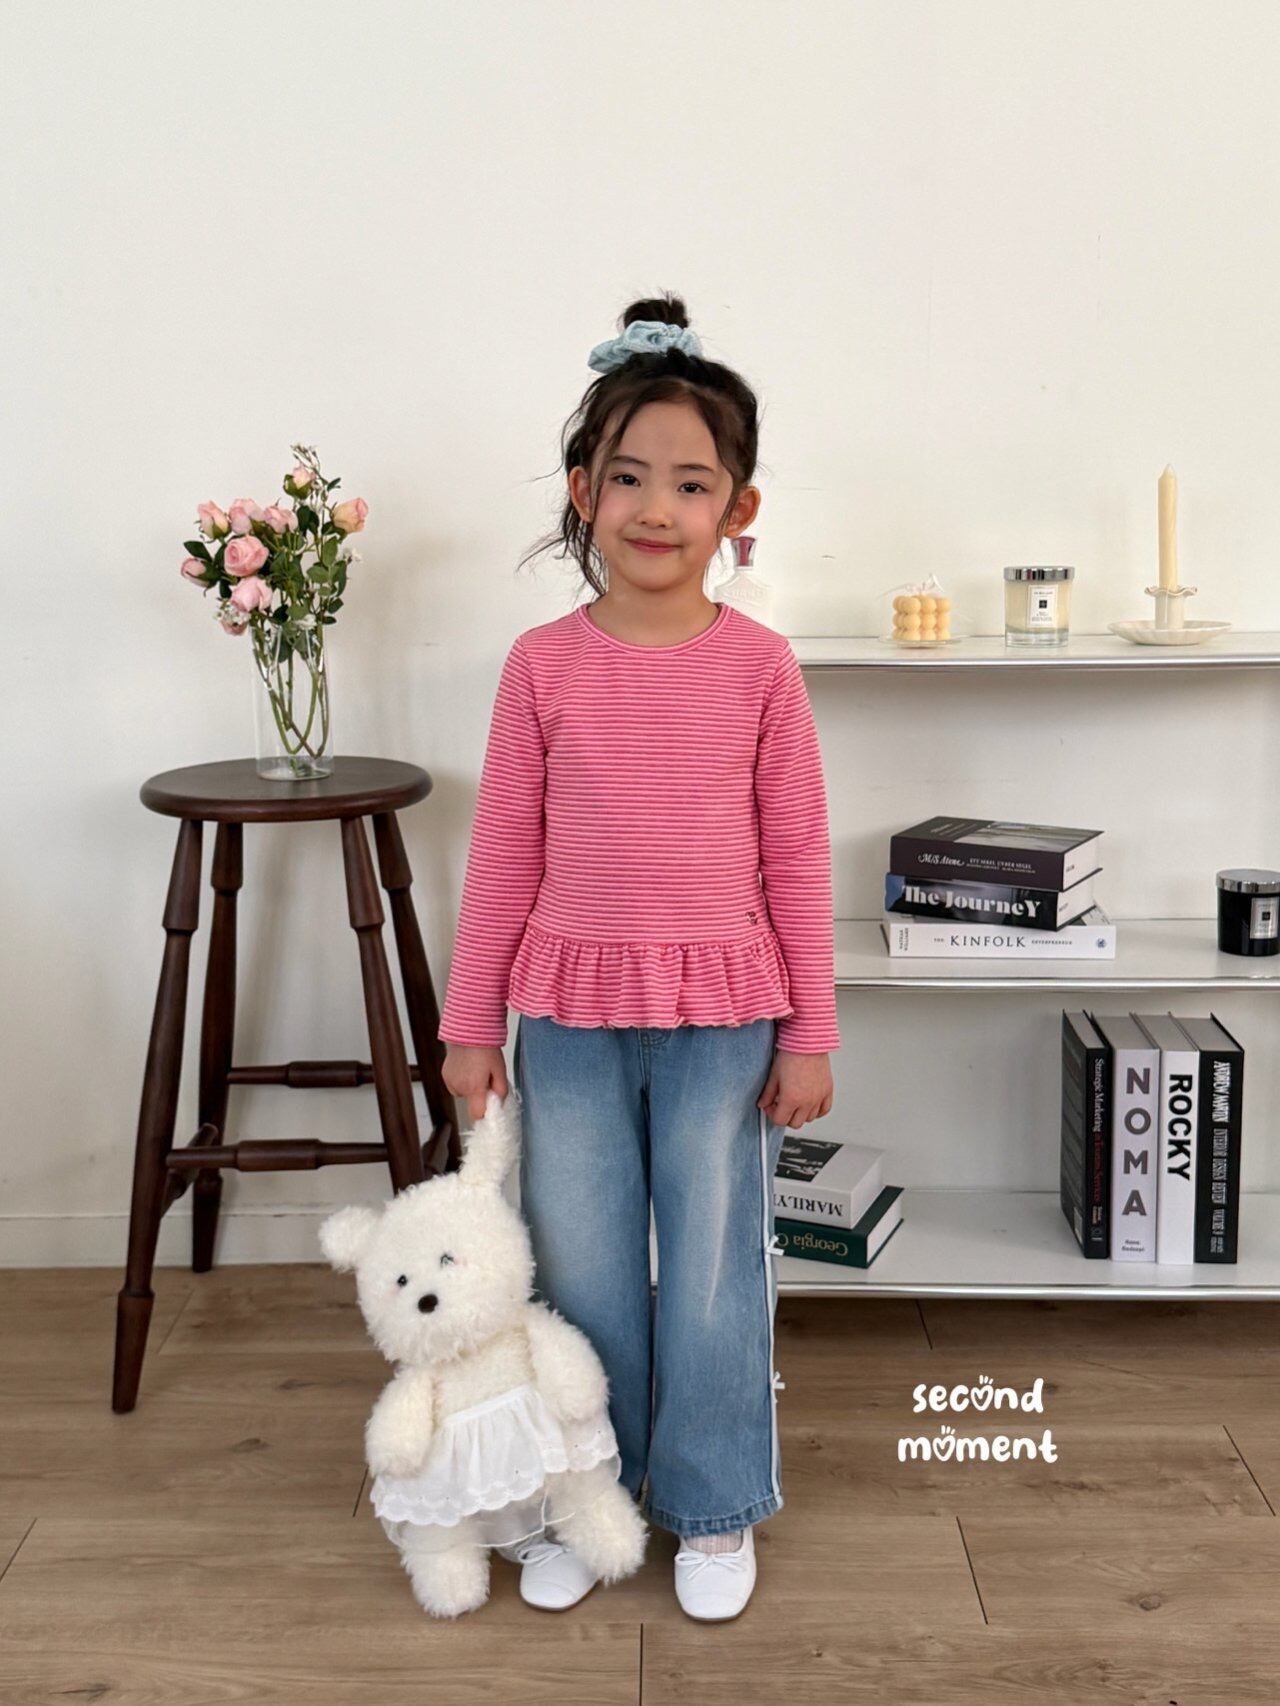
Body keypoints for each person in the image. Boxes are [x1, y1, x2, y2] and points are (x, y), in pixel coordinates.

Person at [437, 293, 839, 1620]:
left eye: (691, 482)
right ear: (582, 490)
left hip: (727, 1016)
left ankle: (713, 1504)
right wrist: (471, 1021)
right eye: (628, 477)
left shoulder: (763, 669)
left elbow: (796, 861)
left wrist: (811, 1032)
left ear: (739, 508)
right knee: (583, 1269)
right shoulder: (541, 667)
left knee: (714, 1273)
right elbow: (503, 852)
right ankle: (583, 1496)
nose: (657, 507)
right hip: (566, 1013)